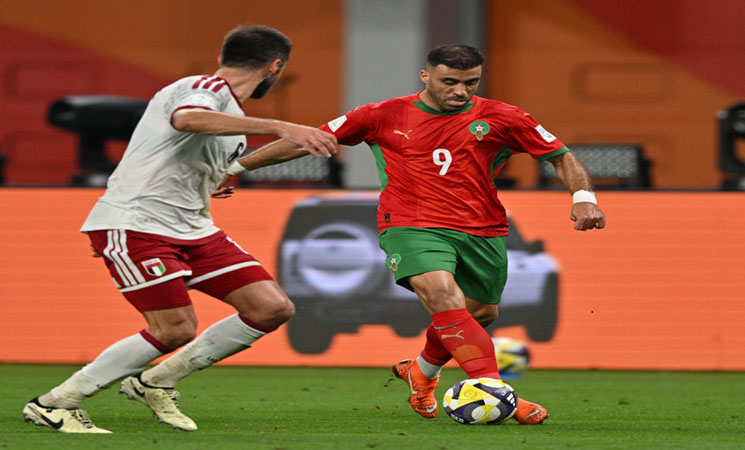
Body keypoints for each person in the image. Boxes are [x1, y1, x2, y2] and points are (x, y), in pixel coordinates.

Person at [215, 44, 606, 425]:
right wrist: (237, 168)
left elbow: (560, 155)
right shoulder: (380, 115)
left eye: (470, 83)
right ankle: (495, 389)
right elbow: (310, 140)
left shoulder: (505, 117)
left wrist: (584, 199)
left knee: (480, 312)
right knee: (442, 295)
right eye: (450, 82)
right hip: (411, 224)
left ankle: (420, 371)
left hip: (483, 228)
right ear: (425, 76)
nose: (460, 91)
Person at [22, 24, 338, 434]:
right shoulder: (202, 87)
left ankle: (155, 380)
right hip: (138, 224)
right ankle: (56, 403)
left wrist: (217, 177)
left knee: (271, 308)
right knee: (174, 329)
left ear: (223, 55)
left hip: (193, 228)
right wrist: (280, 126)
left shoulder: (231, 116)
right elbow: (187, 118)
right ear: (275, 67)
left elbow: (187, 153)